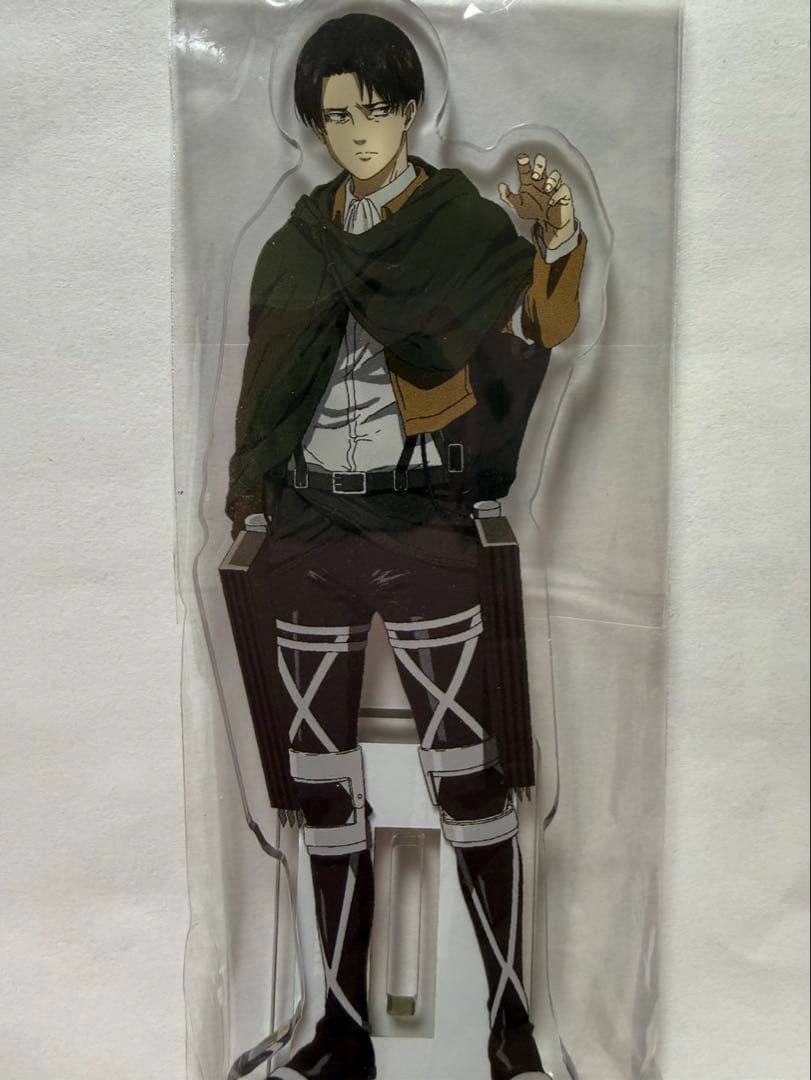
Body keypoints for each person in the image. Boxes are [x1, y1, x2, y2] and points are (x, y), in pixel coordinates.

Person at [225, 13, 586, 1080]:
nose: (357, 132)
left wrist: (556, 243)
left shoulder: (460, 228)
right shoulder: (295, 245)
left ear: (411, 110)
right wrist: (250, 505)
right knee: (319, 789)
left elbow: (540, 327)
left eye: (375, 109)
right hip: (308, 531)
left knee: (470, 778)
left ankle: (511, 1033)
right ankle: (338, 1034)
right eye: (336, 115)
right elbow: (263, 389)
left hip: (423, 521)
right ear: (311, 124)